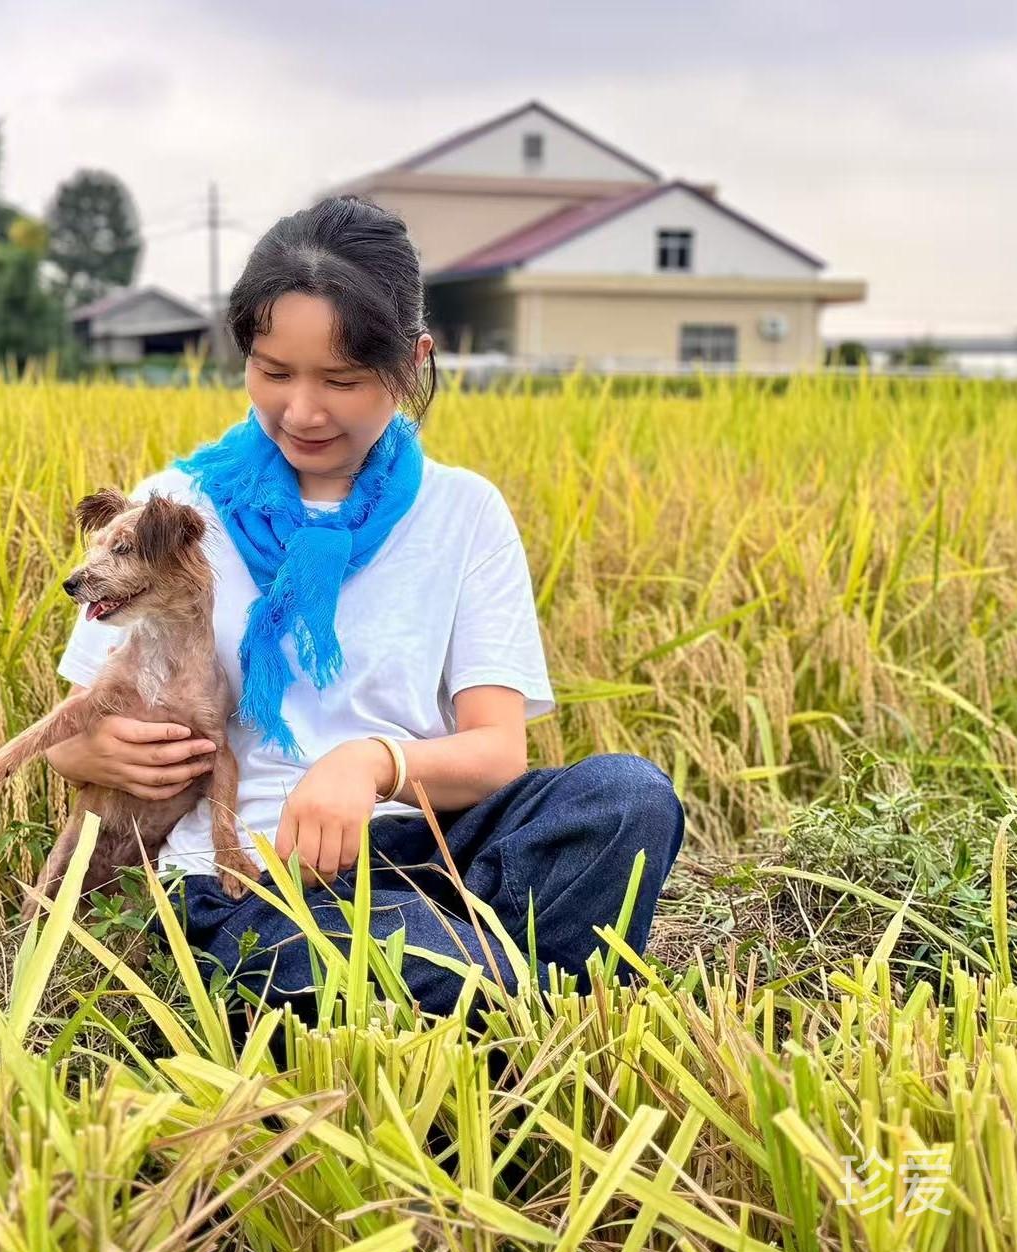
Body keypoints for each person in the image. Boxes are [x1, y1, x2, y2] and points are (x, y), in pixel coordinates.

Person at [44, 194, 684, 1027]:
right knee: (440, 964)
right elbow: (73, 741)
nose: (301, 411)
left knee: (628, 797)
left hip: (431, 848)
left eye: (340, 380)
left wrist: (372, 764)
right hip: (255, 878)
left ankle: (480, 988)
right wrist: (99, 750)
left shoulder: (464, 512)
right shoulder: (173, 511)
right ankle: (525, 1005)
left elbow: (497, 754)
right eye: (273, 372)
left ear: (413, 362)